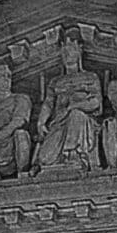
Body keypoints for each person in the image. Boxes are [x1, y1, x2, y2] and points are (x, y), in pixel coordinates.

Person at [34, 38, 105, 174]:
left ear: (79, 53)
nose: (67, 54)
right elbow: (48, 103)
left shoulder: (90, 77)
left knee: (76, 115)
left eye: (71, 51)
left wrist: (75, 106)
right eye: (64, 52)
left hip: (82, 121)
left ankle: (73, 153)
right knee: (45, 158)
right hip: (59, 121)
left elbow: (96, 101)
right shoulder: (56, 81)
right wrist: (41, 122)